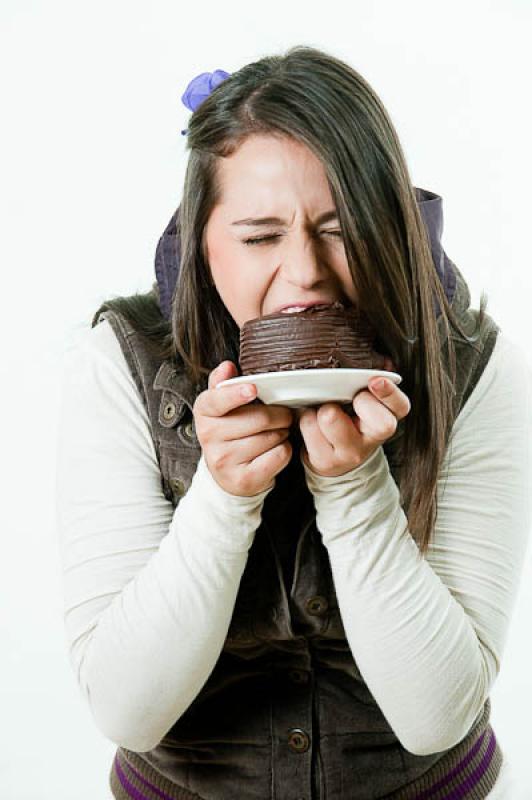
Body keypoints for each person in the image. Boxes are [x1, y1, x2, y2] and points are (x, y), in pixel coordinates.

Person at [55, 45, 531, 799]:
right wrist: (222, 495)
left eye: (342, 230)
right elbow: (125, 709)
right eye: (258, 236)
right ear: (201, 241)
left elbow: (437, 715)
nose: (305, 270)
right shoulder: (120, 362)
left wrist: (356, 491)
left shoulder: (473, 365)